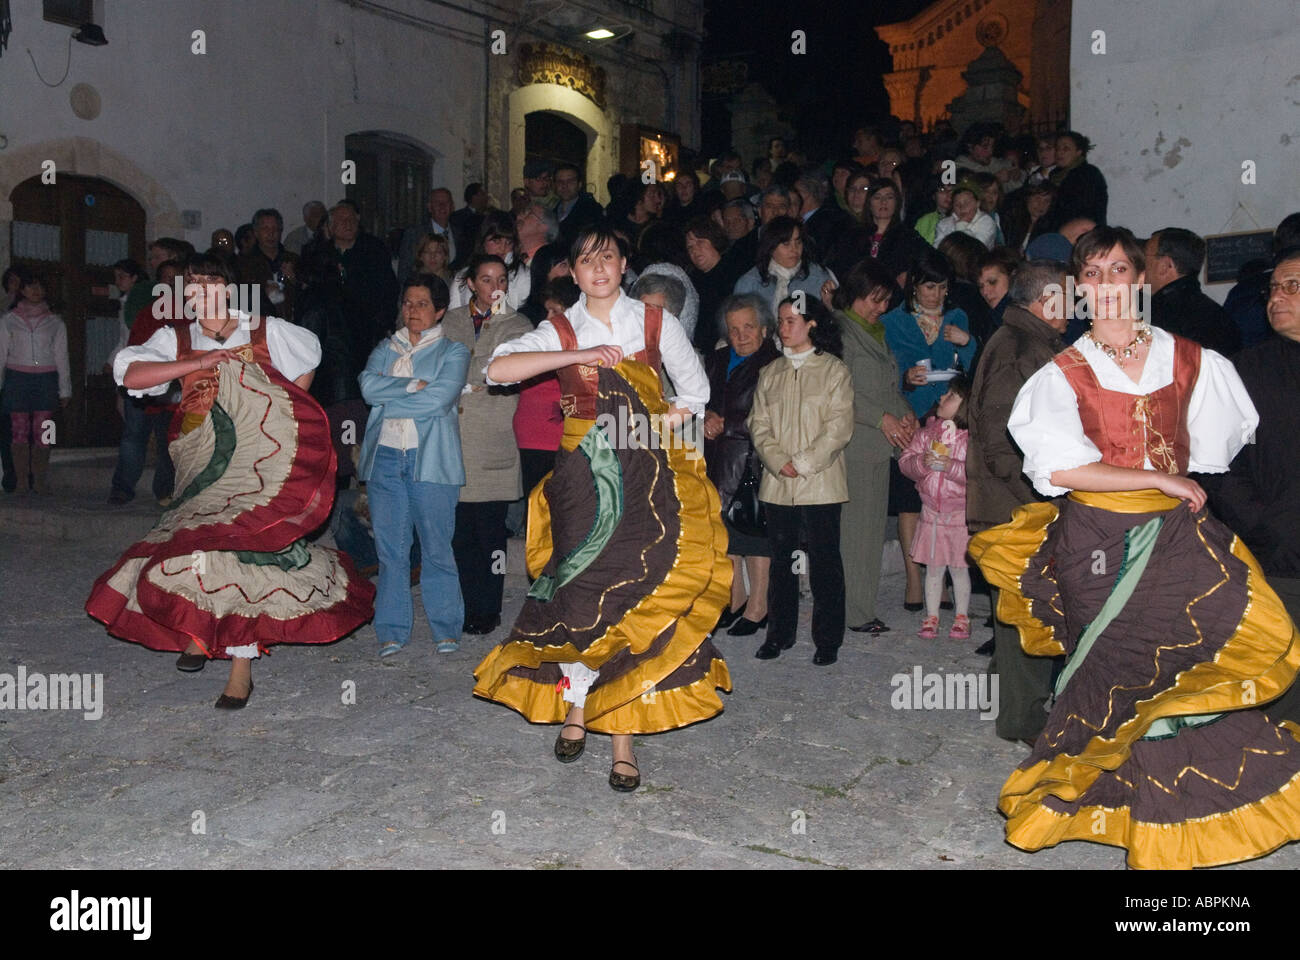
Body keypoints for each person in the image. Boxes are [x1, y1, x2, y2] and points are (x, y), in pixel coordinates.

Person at [968, 227, 1300, 869]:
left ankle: (1182, 812)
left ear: (1139, 282)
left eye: (1119, 269)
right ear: (1078, 288)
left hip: (1176, 540)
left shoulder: (1190, 358)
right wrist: (1153, 475)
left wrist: (1169, 481)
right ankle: (1136, 807)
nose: (1107, 284)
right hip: (1094, 543)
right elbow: (1059, 471)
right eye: (1092, 273)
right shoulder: (1060, 372)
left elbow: (1216, 447)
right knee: (1124, 677)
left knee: (1179, 672)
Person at [473, 225, 730, 794]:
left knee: (630, 600)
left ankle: (622, 739)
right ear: (573, 269)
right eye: (586, 261)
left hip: (643, 483)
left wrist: (654, 433)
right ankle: (574, 705)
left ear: (623, 264)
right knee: (579, 598)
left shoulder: (654, 322)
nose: (598, 269)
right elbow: (496, 371)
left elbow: (695, 393)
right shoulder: (561, 327)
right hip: (580, 484)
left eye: (607, 258)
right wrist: (582, 354)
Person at [88, 255, 375, 707]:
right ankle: (200, 629)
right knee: (194, 545)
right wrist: (197, 363)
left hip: (257, 462)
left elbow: (304, 374)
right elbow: (132, 375)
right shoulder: (175, 337)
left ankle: (241, 665)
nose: (200, 292)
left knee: (239, 548)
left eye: (210, 283)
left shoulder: (264, 329)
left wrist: (277, 414)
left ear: (228, 288)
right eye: (192, 285)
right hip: (199, 456)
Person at [966, 260, 1068, 741]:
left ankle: (1007, 697)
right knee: (1025, 608)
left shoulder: (1031, 341)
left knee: (1019, 606)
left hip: (1019, 501)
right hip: (1015, 505)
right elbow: (997, 434)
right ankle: (1023, 717)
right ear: (1047, 300)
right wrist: (1044, 490)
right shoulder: (1019, 347)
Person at [1200, 248, 1300, 724]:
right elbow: (1219, 463)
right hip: (1277, 560)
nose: (1277, 298)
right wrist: (1262, 527)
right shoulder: (1245, 370)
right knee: (1278, 690)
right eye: (1274, 289)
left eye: (1292, 286)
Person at [358, 274, 471, 658]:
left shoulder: (453, 352)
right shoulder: (386, 348)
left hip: (431, 461)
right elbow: (367, 389)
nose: (413, 310)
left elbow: (438, 401)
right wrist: (410, 387)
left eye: (422, 303)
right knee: (391, 551)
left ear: (439, 310)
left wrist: (389, 397)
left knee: (437, 547)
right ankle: (391, 630)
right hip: (385, 458)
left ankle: (445, 627)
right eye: (408, 303)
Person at [747, 296, 852, 664]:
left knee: (824, 562)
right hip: (779, 485)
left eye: (792, 320)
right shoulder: (770, 372)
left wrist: (803, 463)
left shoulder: (833, 371)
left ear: (811, 324)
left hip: (820, 482)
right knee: (783, 561)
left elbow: (838, 428)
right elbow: (758, 425)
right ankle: (780, 634)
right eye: (781, 320)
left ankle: (827, 639)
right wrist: (778, 461)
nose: (784, 327)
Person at [442, 254, 534, 641]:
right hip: (453, 438)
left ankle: (489, 607)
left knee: (490, 533)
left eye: (501, 279)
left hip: (494, 436)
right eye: (485, 279)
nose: (494, 287)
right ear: (470, 284)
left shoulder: (519, 324)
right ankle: (466, 603)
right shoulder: (449, 321)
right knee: (460, 532)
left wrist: (472, 378)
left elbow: (510, 370)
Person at [882, 251, 977, 610]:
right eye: (928, 287)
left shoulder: (957, 318)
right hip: (913, 417)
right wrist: (906, 379)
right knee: (911, 501)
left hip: (954, 422)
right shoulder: (894, 321)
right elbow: (887, 370)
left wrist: (966, 343)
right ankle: (912, 579)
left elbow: (973, 370)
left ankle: (950, 577)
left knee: (952, 498)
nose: (935, 295)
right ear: (913, 287)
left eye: (941, 287)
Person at [834, 260, 917, 636]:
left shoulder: (875, 332)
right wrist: (881, 417)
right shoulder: (840, 332)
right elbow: (838, 393)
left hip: (880, 447)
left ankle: (860, 606)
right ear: (854, 293)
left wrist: (905, 415)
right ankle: (854, 611)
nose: (879, 308)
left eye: (884, 301)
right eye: (874, 299)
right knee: (856, 534)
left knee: (869, 531)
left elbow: (888, 386)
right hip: (854, 445)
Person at [703, 293, 783, 636]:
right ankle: (734, 598)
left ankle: (758, 605)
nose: (741, 335)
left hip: (754, 461)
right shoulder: (719, 358)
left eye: (748, 327)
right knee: (726, 536)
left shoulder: (775, 363)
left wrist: (729, 425)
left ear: (764, 328)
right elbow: (702, 397)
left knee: (754, 536)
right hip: (718, 458)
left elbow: (776, 416)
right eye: (734, 329)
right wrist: (705, 414)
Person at [899, 379, 972, 640]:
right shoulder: (926, 433)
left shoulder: (969, 439)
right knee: (933, 566)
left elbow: (973, 474)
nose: (942, 398)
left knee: (959, 568)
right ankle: (932, 616)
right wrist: (922, 463)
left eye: (951, 395)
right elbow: (905, 463)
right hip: (931, 513)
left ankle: (962, 616)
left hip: (958, 514)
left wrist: (950, 466)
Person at [0, 271, 69, 495]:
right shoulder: (9, 320)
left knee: (45, 430)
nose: (35, 291)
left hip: (46, 379)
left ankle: (39, 478)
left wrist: (65, 388)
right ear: (22, 290)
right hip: (17, 378)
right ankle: (21, 480)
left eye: (39, 287)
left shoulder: (55, 322)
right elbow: (1, 353)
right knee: (19, 430)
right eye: (30, 287)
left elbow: (62, 356)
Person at [1145, 227, 1240, 356]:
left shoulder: (1155, 315)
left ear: (1165, 266)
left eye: (1145, 256)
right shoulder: (1219, 315)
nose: (1140, 264)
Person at [827, 178, 926, 285]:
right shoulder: (853, 235)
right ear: (869, 203)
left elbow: (929, 260)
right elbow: (837, 266)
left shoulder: (908, 236)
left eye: (889, 197)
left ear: (897, 202)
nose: (883, 202)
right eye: (877, 197)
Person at [733, 216, 834, 316]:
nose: (794, 249)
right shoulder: (750, 283)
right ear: (771, 247)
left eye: (798, 242)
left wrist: (830, 306)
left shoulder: (818, 278)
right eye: (786, 244)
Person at [686, 216, 746, 353]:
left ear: (714, 241)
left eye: (700, 242)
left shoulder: (733, 273)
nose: (694, 250)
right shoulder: (691, 280)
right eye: (690, 247)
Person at [448, 212, 530, 311]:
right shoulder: (462, 276)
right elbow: (453, 315)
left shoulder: (522, 275)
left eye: (508, 242)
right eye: (496, 241)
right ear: (483, 240)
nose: (502, 248)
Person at [1034, 131, 1108, 235]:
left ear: (1078, 152)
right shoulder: (1054, 175)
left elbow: (1077, 209)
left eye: (1065, 149)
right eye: (1058, 148)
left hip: (1081, 235)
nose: (1059, 153)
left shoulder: (1088, 174)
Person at [399, 188, 458, 272]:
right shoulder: (414, 234)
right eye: (437, 203)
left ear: (452, 207)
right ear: (430, 207)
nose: (442, 206)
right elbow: (404, 270)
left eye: (446, 202)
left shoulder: (460, 234)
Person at [934, 184, 997, 250]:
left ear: (977, 203)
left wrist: (961, 224)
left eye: (966, 203)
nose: (962, 207)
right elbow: (938, 250)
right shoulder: (943, 224)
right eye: (957, 204)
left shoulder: (987, 222)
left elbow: (969, 252)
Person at [553, 164, 602, 245]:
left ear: (579, 184)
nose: (565, 186)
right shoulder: (550, 212)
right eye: (560, 182)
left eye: (570, 181)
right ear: (554, 185)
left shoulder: (592, 211)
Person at [977, 246, 1019, 328]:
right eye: (981, 286)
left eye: (992, 282)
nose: (985, 292)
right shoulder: (990, 318)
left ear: (1013, 277)